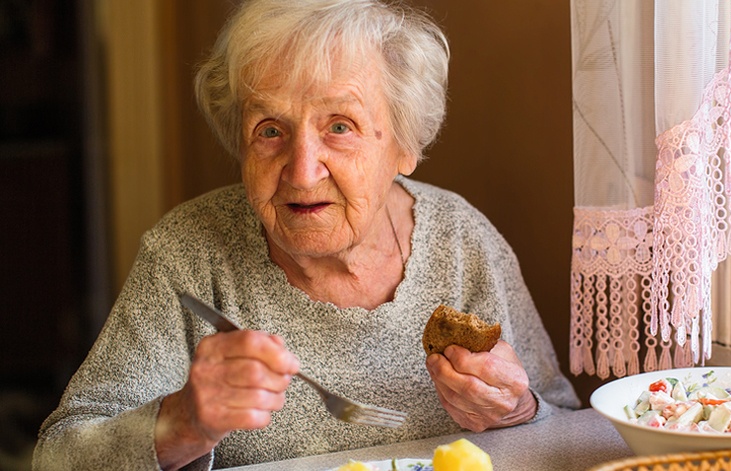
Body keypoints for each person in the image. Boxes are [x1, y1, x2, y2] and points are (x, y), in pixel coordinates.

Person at [33, 0, 580, 469]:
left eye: (339, 126)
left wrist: (520, 411)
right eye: (269, 130)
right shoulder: (188, 254)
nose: (301, 170)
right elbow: (57, 457)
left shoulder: (462, 241)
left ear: (405, 145)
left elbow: (564, 426)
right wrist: (180, 423)